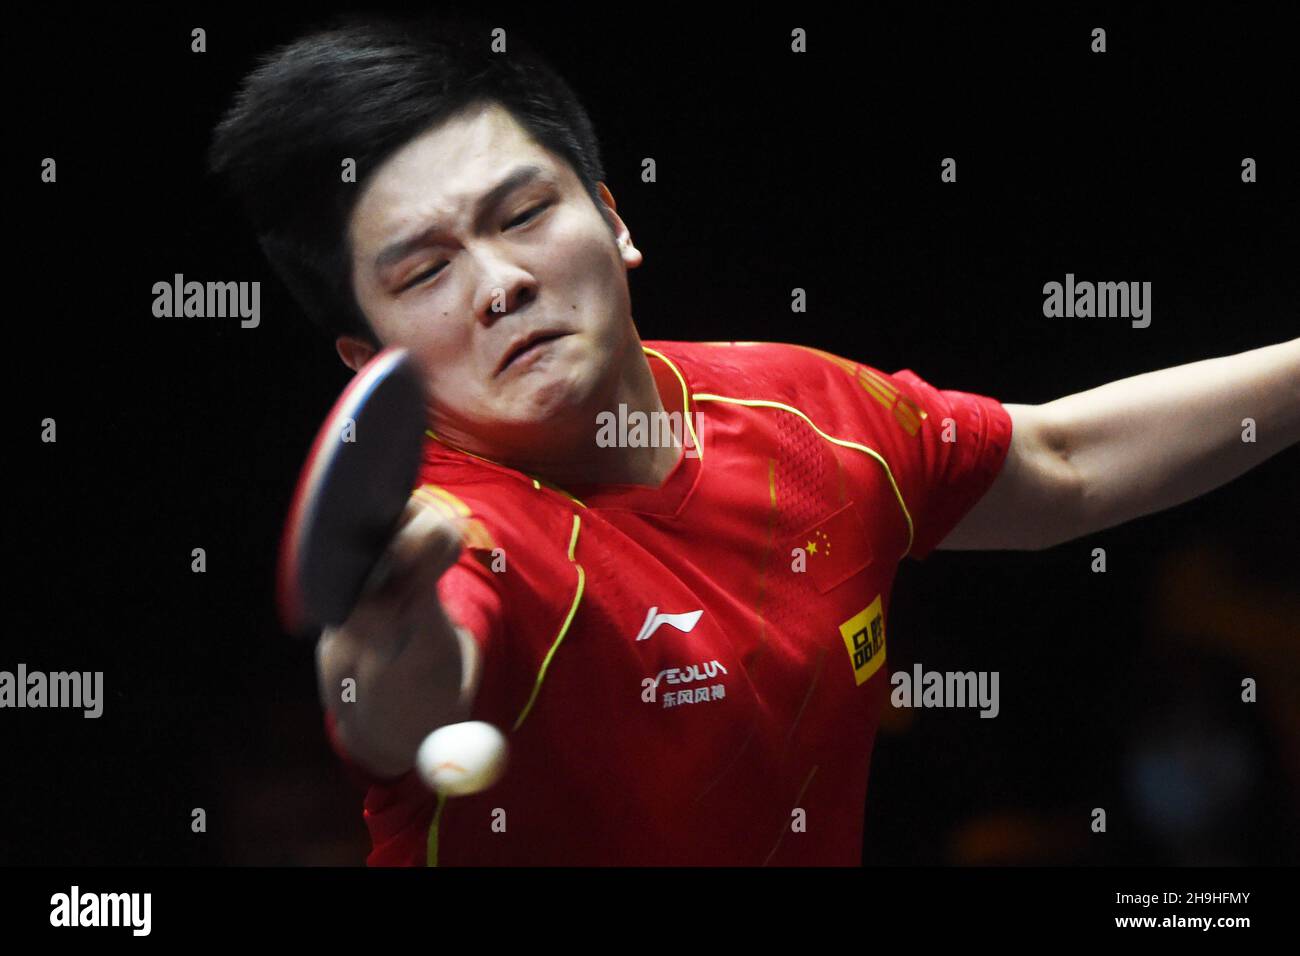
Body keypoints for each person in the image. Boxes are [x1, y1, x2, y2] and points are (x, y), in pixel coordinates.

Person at [208, 12, 1300, 865]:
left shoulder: (800, 411)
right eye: (424, 270)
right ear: (366, 360)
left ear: (614, 218)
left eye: (521, 214)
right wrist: (378, 638)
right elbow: (399, 699)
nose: (501, 283)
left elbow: (1062, 462)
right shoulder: (453, 534)